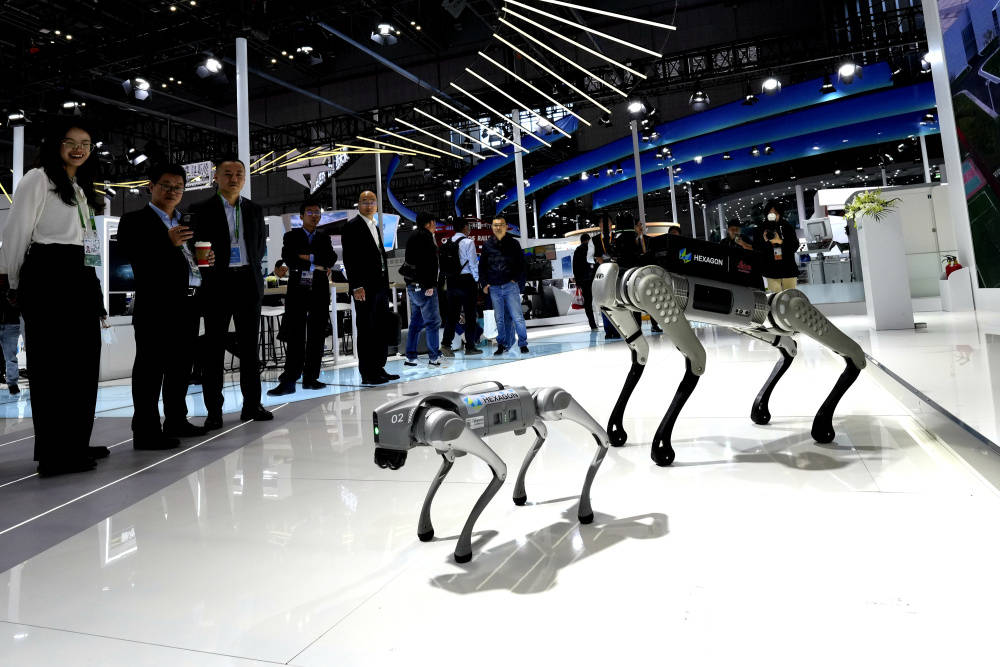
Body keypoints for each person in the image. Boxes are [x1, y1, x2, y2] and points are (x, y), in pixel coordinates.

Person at [0, 121, 107, 476]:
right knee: (52, 368)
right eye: (70, 141)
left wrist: (95, 289)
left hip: (80, 274)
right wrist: (15, 281)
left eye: (85, 143)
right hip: (48, 271)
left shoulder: (80, 187)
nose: (79, 148)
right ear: (55, 144)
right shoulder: (37, 178)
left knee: (84, 364)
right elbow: (17, 231)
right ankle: (53, 454)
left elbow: (89, 243)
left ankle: (75, 442)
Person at [117, 163, 209, 449]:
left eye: (178, 187)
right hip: (155, 306)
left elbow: (190, 258)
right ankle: (145, 431)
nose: (172, 191)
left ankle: (176, 420)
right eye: (166, 186)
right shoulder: (134, 220)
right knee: (150, 369)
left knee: (181, 367)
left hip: (188, 302)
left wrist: (206, 259)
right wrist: (165, 241)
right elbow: (134, 257)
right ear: (151, 187)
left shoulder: (187, 220)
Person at [190, 157, 272, 429]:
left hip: (248, 282)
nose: (234, 178)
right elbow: (192, 246)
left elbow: (259, 246)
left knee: (249, 349)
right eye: (227, 174)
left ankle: (252, 405)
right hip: (217, 284)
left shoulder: (254, 209)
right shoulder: (201, 209)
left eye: (239, 174)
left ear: (245, 178)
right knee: (213, 351)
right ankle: (214, 411)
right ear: (216, 177)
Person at [268, 200, 337, 396]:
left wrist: (308, 258)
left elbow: (330, 259)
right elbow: (289, 258)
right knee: (295, 336)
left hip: (319, 288)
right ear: (301, 216)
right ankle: (289, 380)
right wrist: (317, 262)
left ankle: (311, 378)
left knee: (317, 335)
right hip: (298, 288)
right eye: (310, 212)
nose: (314, 215)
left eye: (317, 212)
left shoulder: (324, 238)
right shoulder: (291, 236)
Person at [341, 191, 399, 384]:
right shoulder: (352, 226)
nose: (368, 205)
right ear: (358, 204)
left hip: (380, 286)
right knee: (367, 330)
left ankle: (379, 368)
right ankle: (368, 373)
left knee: (380, 328)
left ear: (376, 205)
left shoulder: (374, 225)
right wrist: (356, 285)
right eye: (364, 201)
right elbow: (350, 258)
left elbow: (379, 257)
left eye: (372, 201)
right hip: (364, 288)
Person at [480, 217, 527, 355]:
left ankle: (523, 343)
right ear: (492, 227)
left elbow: (521, 263)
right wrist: (484, 283)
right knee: (499, 318)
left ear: (506, 226)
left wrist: (515, 280)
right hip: (494, 287)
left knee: (517, 317)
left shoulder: (513, 243)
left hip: (510, 285)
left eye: (501, 225)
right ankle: (501, 344)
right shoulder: (487, 244)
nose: (498, 227)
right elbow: (482, 266)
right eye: (495, 225)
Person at [402, 212, 442, 367]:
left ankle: (410, 357)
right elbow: (429, 263)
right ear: (429, 223)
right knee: (432, 322)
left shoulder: (412, 236)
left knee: (416, 322)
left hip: (412, 285)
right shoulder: (426, 237)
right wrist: (431, 285)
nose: (435, 226)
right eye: (434, 223)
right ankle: (434, 357)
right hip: (425, 286)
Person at [440, 218, 482, 356]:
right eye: (468, 226)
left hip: (452, 281)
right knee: (470, 315)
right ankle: (470, 346)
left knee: (452, 315)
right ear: (464, 227)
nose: (469, 229)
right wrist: (477, 280)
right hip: (466, 280)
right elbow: (473, 263)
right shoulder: (468, 242)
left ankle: (446, 345)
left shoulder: (448, 242)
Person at [754, 200, 800, 292]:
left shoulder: (787, 226)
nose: (772, 216)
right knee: (775, 297)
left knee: (790, 295)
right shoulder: (761, 228)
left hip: (788, 268)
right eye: (770, 213)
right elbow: (756, 247)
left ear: (779, 213)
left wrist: (780, 241)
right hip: (771, 269)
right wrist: (765, 242)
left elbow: (794, 246)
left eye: (775, 213)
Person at [572, 234, 598, 330]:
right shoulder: (593, 248)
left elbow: (575, 267)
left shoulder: (577, 250)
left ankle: (593, 325)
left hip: (584, 281)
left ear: (581, 241)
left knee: (588, 303)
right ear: (588, 240)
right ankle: (608, 324)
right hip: (595, 279)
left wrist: (578, 282)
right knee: (602, 301)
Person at [0, 284, 21, 394]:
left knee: (11, 357)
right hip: (12, 323)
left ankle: (12, 383)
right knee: (10, 357)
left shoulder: (14, 281)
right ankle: (12, 383)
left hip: (12, 323)